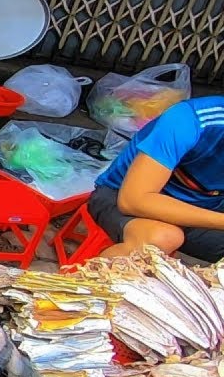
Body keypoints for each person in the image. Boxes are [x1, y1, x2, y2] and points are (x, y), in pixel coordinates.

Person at [89, 96, 224, 263]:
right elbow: (133, 201)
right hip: (119, 196)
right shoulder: (190, 120)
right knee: (161, 238)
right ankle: (85, 285)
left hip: (204, 209)